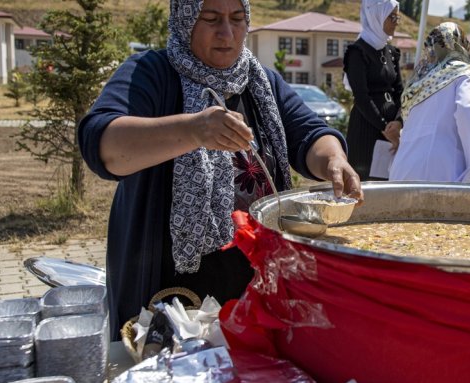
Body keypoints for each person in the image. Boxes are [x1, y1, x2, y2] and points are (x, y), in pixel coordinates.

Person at [78, 0, 362, 338]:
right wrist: (194, 130)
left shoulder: (260, 83)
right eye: (211, 19)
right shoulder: (152, 73)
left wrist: (333, 159)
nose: (227, 33)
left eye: (237, 19)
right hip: (173, 296)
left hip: (256, 284)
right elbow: (103, 146)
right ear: (185, 20)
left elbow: (310, 135)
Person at [389, 22, 470, 183]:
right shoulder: (463, 72)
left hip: (403, 167)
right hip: (440, 169)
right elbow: (467, 110)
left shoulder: (419, 78)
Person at [343, 0, 404, 180]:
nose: (396, 21)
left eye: (397, 16)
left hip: (393, 131)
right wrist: (386, 128)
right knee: (365, 187)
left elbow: (399, 91)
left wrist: (399, 122)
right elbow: (361, 96)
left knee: (389, 185)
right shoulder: (358, 52)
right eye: (391, 17)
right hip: (367, 130)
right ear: (376, 16)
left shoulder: (391, 52)